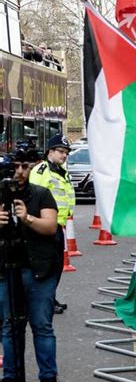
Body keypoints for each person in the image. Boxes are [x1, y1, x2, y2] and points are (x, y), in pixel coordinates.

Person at [0, 149, 65, 382]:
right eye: (15, 166)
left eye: (25, 166)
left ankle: (48, 378)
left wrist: (26, 218)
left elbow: (50, 227)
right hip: (7, 270)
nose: (19, 172)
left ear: (32, 167)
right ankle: (10, 377)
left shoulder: (41, 194)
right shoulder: (1, 192)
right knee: (10, 327)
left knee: (42, 326)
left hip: (39, 271)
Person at [29, 134, 75, 314]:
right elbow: (33, 198)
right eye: (61, 152)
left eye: (66, 153)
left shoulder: (60, 171)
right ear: (50, 151)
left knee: (56, 265)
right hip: (44, 226)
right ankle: (45, 300)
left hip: (58, 225)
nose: (64, 156)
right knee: (47, 266)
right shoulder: (42, 171)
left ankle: (49, 297)